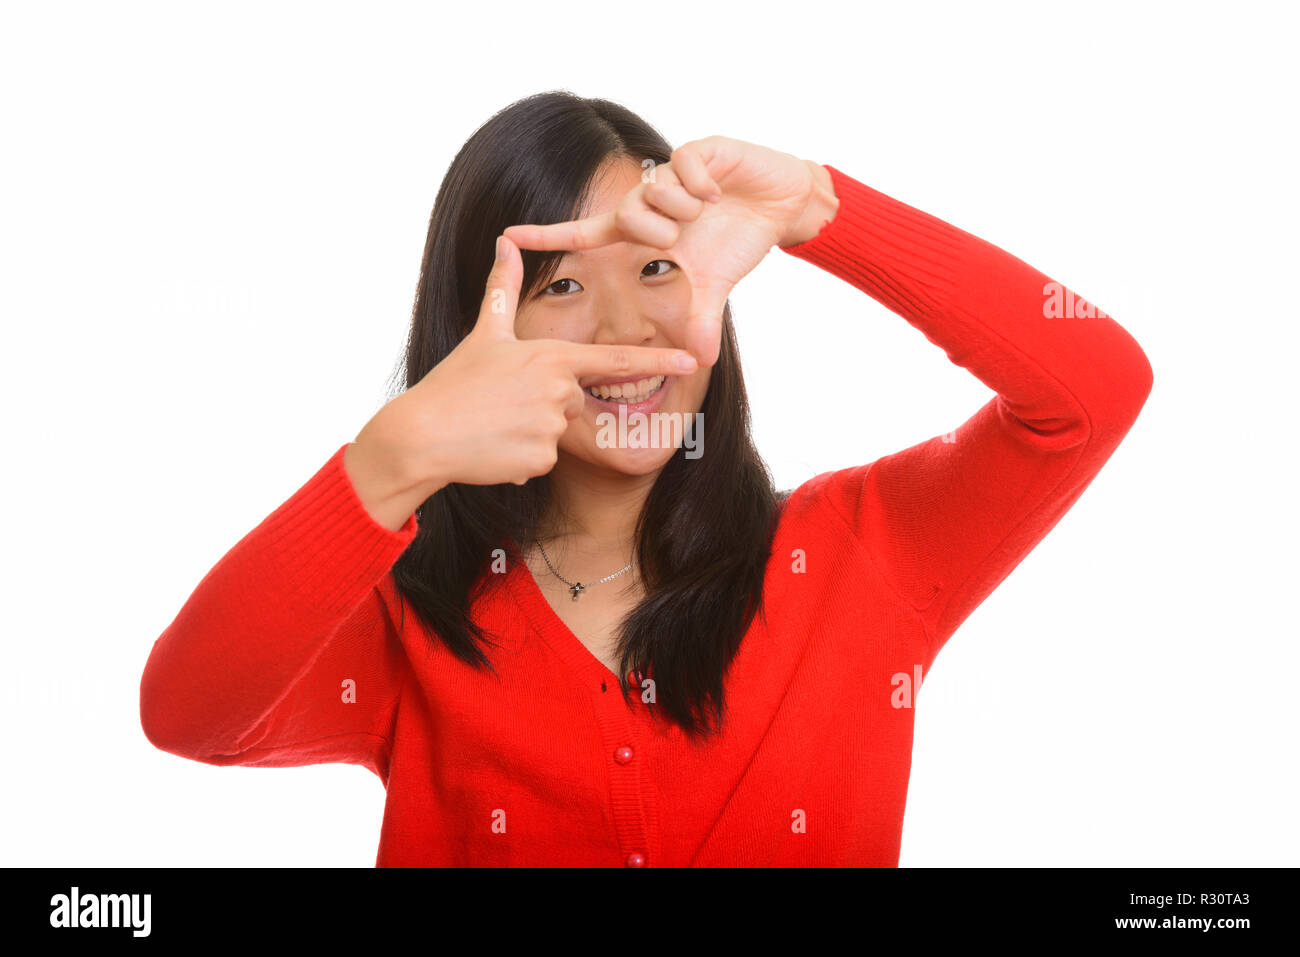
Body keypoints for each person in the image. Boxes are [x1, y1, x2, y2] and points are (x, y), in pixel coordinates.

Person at [139, 91, 1153, 866]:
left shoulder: (863, 550)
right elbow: (188, 715)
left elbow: (1093, 388)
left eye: (657, 268)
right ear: (474, 330)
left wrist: (819, 209)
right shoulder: (405, 619)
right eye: (565, 284)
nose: (628, 334)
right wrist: (391, 458)